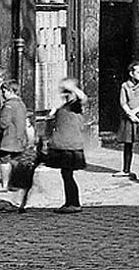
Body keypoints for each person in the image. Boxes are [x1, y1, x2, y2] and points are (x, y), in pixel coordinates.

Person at [42, 78, 88, 214]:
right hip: (64, 144)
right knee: (66, 174)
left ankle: (74, 203)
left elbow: (83, 98)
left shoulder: (76, 105)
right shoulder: (65, 106)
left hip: (70, 146)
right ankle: (70, 202)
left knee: (68, 175)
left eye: (67, 92)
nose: (64, 94)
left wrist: (72, 88)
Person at [0, 78, 31, 207]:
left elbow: (4, 123)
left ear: (9, 91)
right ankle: (16, 184)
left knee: (4, 159)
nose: (3, 94)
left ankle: (5, 184)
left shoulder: (8, 105)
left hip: (9, 137)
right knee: (16, 160)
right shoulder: (21, 104)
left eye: (4, 91)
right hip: (20, 137)